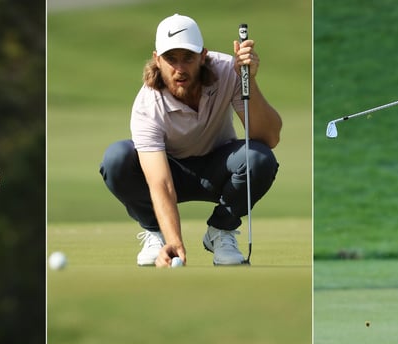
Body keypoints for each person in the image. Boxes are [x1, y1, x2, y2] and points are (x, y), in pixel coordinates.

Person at [100, 14, 282, 267]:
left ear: (203, 56)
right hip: (171, 172)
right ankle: (157, 233)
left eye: (188, 57)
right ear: (157, 59)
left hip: (220, 168)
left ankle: (221, 231)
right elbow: (161, 183)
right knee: (117, 159)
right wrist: (174, 241)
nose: (180, 68)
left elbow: (269, 137)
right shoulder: (147, 105)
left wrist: (248, 79)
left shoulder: (229, 71)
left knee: (259, 158)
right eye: (170, 58)